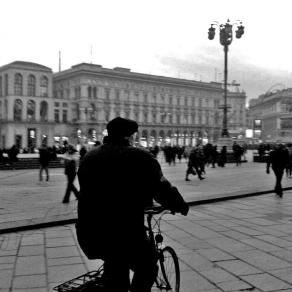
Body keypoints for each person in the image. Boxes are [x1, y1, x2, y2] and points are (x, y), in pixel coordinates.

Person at [76, 117, 189, 292]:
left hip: (90, 233)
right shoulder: (140, 157)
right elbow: (161, 188)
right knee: (148, 267)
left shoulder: (89, 157)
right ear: (130, 136)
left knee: (115, 268)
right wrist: (179, 205)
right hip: (124, 232)